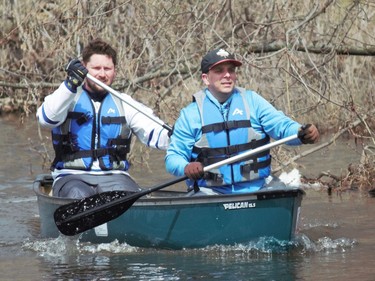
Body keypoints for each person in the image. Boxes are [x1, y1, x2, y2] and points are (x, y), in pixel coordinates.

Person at [165, 48, 319, 195]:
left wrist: (301, 132)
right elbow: (173, 158)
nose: (227, 75)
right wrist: (186, 167)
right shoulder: (191, 114)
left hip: (258, 189)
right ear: (206, 78)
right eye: (219, 71)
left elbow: (282, 126)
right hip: (209, 193)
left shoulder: (253, 102)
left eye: (231, 70)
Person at [37, 38, 170, 199]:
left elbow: (155, 133)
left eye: (107, 68)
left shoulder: (125, 103)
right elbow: (46, 119)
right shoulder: (67, 97)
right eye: (96, 68)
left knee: (125, 197)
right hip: (71, 177)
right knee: (78, 195)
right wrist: (70, 84)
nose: (102, 74)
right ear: (85, 68)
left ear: (114, 71)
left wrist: (176, 135)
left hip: (115, 177)